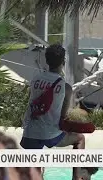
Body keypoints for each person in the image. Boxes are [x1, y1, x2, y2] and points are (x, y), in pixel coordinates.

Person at [19, 44, 86, 179]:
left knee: (37, 171)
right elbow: (62, 117)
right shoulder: (65, 87)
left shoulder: (35, 79)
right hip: (51, 135)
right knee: (80, 139)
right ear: (63, 62)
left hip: (30, 132)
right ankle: (76, 177)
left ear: (46, 61)